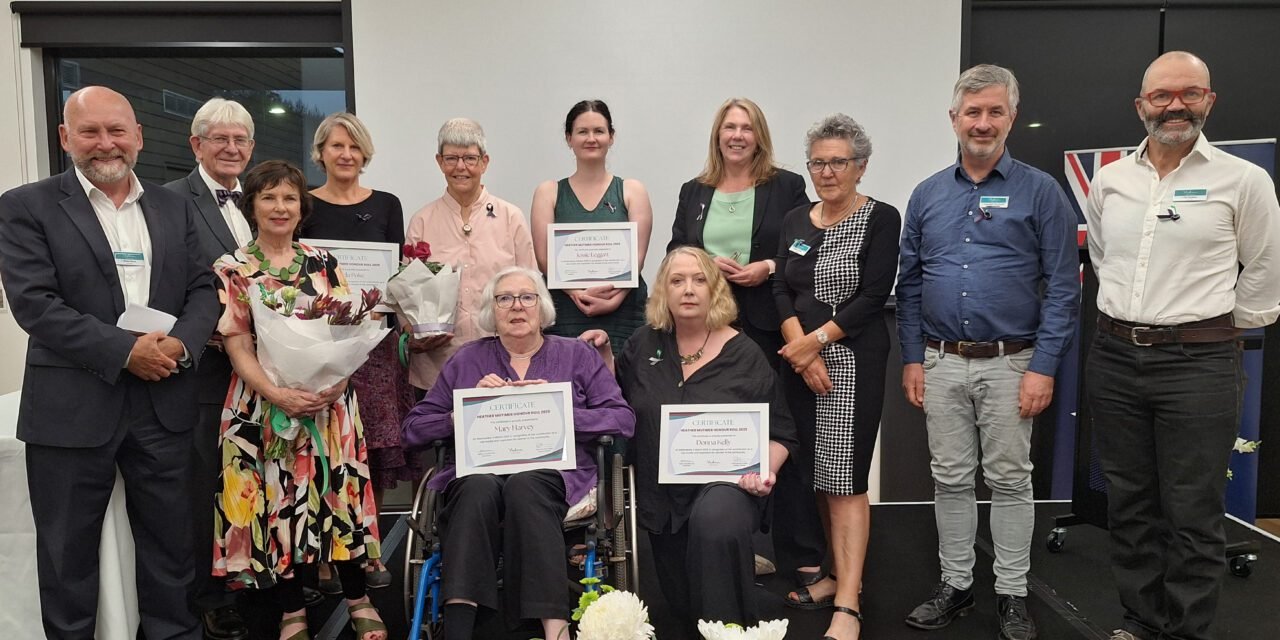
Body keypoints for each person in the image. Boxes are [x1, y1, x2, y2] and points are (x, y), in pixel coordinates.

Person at [0, 85, 219, 640]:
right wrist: (126, 352)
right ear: (65, 137)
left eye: (117, 130)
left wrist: (180, 345)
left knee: (172, 549)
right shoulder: (25, 206)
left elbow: (204, 289)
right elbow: (34, 304)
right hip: (71, 408)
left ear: (138, 136)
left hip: (164, 402)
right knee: (67, 557)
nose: (105, 143)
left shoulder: (174, 205)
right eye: (90, 131)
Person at [1084, 51, 1280, 640]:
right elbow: (1103, 257)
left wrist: (1210, 329)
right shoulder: (1111, 180)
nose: (1175, 106)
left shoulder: (1243, 180)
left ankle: (1186, 631)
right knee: (1130, 503)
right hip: (1115, 356)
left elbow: (1264, 267)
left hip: (1199, 362)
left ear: (1209, 101)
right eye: (1162, 95)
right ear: (1140, 106)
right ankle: (1141, 622)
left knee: (1193, 509)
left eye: (1189, 94)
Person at [896, 64, 1078, 640]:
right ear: (954, 118)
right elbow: (910, 285)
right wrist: (912, 358)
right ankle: (956, 585)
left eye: (994, 111)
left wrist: (1043, 367)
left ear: (1012, 118)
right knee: (950, 478)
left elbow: (1064, 287)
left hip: (1012, 363)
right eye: (972, 112)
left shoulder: (1041, 191)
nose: (983, 122)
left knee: (1009, 480)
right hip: (941, 360)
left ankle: (1012, 592)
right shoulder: (926, 194)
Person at [401, 266, 635, 640]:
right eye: (504, 298)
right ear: (491, 311)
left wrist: (560, 412)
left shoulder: (576, 355)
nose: (516, 306)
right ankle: (458, 628)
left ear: (542, 307)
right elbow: (413, 429)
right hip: (479, 474)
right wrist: (461, 414)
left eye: (527, 297)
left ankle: (554, 629)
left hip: (555, 477)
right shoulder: (467, 359)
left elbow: (622, 419)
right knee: (477, 488)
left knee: (526, 485)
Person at [210, 160, 386, 640]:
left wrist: (336, 381)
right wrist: (278, 394)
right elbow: (237, 343)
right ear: (251, 206)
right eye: (268, 197)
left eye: (289, 197)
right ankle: (292, 610)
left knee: (337, 497)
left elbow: (348, 330)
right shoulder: (233, 268)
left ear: (301, 207)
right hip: (262, 406)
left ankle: (358, 597)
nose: (280, 207)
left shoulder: (323, 262)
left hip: (329, 404)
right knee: (277, 502)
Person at [667, 96, 823, 589]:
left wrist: (769, 267)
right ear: (718, 135)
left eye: (747, 127)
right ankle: (733, 543)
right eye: (729, 127)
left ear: (759, 136)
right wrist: (702, 269)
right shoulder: (694, 191)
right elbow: (676, 250)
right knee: (718, 436)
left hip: (767, 324)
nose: (737, 135)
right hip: (706, 327)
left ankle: (801, 552)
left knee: (781, 433)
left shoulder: (786, 186)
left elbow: (803, 246)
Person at [602, 246, 796, 634]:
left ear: (715, 291)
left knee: (715, 521)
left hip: (729, 486)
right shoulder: (642, 344)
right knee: (685, 609)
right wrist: (606, 354)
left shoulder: (745, 354)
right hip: (662, 498)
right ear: (664, 291)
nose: (688, 289)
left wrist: (766, 472)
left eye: (699, 280)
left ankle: (732, 631)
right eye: (677, 280)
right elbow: (617, 401)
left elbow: (780, 432)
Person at [772, 113, 900, 640]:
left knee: (845, 481)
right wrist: (800, 350)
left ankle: (849, 602)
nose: (827, 172)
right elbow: (781, 287)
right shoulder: (795, 219)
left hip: (852, 363)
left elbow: (872, 297)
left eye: (838, 162)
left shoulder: (880, 218)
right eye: (818, 163)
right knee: (818, 476)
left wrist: (815, 342)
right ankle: (835, 574)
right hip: (802, 363)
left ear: (861, 167)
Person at [301, 111, 414, 590]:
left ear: (365, 153)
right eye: (336, 146)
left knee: (372, 448)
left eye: (354, 147)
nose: (346, 155)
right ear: (320, 153)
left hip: (374, 347)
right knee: (326, 447)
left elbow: (397, 275)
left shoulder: (387, 204)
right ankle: (327, 553)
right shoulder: (303, 204)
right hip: (320, 343)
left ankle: (369, 547)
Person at [163, 96, 258, 640]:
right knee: (205, 487)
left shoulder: (262, 199)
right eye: (219, 139)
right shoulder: (170, 202)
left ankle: (256, 580)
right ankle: (210, 595)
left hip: (262, 373)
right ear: (196, 144)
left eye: (240, 139)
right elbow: (168, 284)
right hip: (206, 371)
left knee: (251, 482)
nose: (231, 148)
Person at [404, 117, 537, 395]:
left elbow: (531, 290)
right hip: (438, 366)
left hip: (503, 363)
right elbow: (407, 297)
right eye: (451, 158)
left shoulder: (510, 217)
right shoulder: (422, 221)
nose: (460, 167)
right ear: (439, 162)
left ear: (484, 162)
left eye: (469, 158)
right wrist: (412, 332)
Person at [531, 99, 654, 357]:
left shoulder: (632, 191)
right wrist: (577, 294)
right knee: (566, 375)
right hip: (565, 310)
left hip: (623, 312)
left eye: (599, 131)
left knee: (625, 377)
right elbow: (544, 261)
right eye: (582, 131)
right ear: (569, 138)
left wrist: (613, 300)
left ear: (611, 137)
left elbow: (637, 261)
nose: (591, 139)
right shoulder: (548, 192)